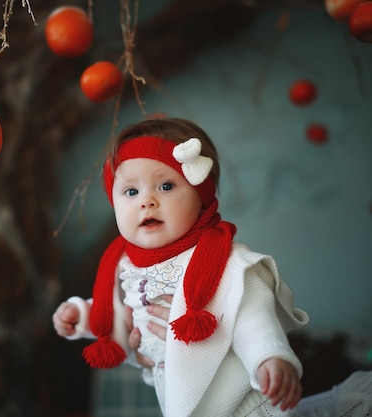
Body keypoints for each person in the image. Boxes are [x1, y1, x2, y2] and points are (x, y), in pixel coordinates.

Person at [53, 118, 310, 417]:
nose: (147, 201)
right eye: (131, 192)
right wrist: (83, 316)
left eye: (166, 186)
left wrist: (268, 356)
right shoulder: (127, 265)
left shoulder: (224, 260)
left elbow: (252, 315)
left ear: (201, 197)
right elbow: (128, 321)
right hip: (181, 401)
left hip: (243, 402)